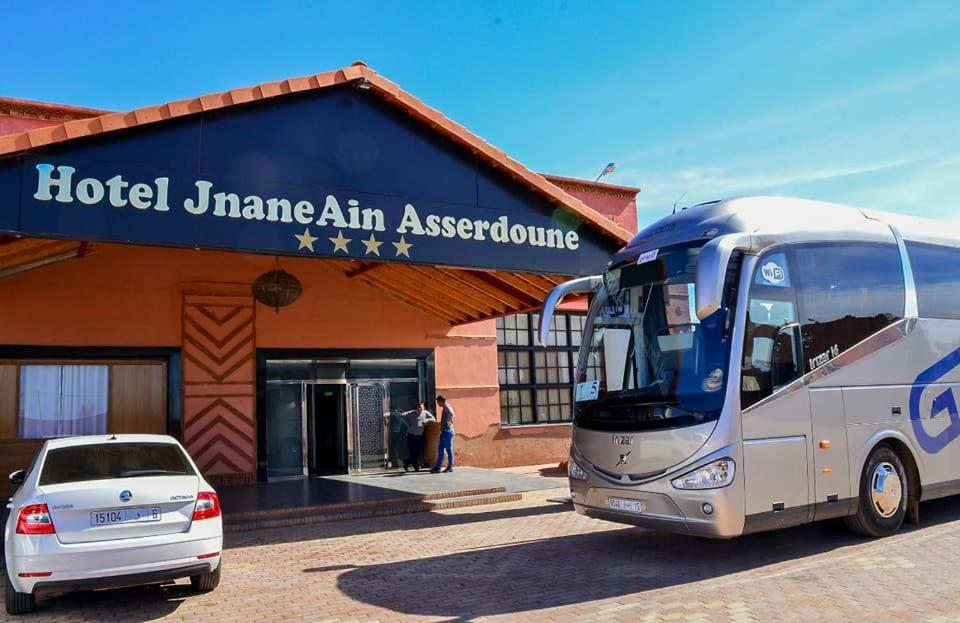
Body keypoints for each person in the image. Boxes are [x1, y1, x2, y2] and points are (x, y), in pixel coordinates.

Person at [399, 402, 434, 471]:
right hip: (411, 435)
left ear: (423, 407)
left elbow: (433, 418)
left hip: (419, 436)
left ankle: (407, 462)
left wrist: (426, 420)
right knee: (412, 451)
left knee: (418, 452)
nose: (420, 408)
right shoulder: (412, 413)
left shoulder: (425, 413)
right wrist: (407, 423)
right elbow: (401, 416)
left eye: (421, 407)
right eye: (418, 407)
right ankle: (416, 466)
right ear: (416, 408)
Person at [431, 395, 455, 473]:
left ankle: (450, 466)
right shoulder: (446, 407)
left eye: (438, 402)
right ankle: (438, 466)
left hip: (447, 431)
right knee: (440, 448)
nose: (438, 404)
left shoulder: (447, 408)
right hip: (444, 431)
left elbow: (452, 414)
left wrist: (449, 422)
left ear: (441, 401)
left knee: (448, 449)